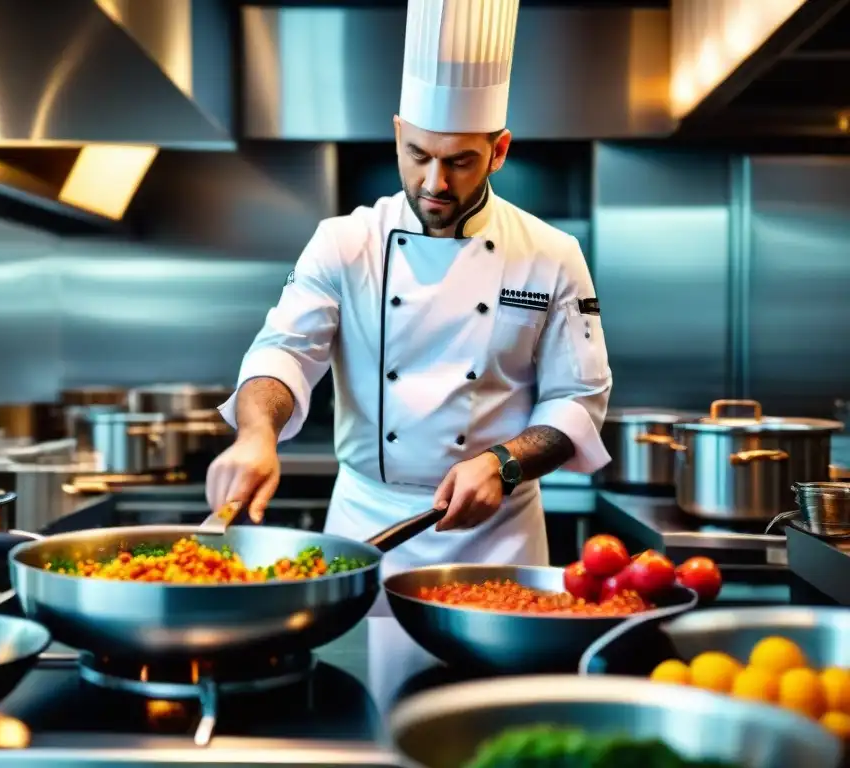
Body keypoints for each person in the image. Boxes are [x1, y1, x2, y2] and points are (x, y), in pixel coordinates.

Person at [207, 0, 612, 577]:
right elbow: (284, 353)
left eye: (461, 162)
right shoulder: (345, 241)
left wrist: (504, 464)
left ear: (499, 151)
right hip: (365, 529)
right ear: (398, 133)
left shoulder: (550, 254)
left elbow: (577, 401)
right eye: (417, 154)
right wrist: (255, 434)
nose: (434, 183)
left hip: (497, 538)